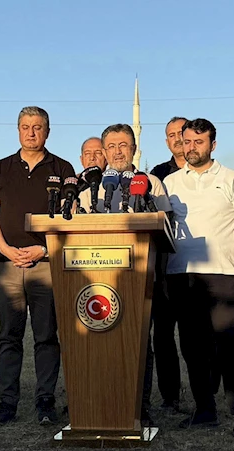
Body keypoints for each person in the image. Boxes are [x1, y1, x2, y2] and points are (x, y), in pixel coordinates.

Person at [0, 106, 76, 425]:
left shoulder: (62, 167)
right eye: (25, 126)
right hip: (7, 264)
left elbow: (68, 219)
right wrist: (5, 249)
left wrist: (42, 249)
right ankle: (7, 402)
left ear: (47, 131)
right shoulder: (1, 167)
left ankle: (45, 401)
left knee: (46, 335)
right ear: (18, 130)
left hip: (45, 264)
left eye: (37, 127)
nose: (31, 132)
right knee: (9, 336)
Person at [76, 124, 172, 426]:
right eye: (112, 146)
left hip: (141, 278)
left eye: (124, 145)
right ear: (104, 152)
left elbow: (165, 227)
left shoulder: (151, 183)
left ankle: (138, 407)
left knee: (139, 343)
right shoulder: (91, 189)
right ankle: (96, 403)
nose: (118, 152)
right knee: (98, 344)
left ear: (134, 149)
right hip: (98, 283)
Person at [164, 119, 234, 435]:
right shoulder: (170, 183)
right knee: (191, 346)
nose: (191, 147)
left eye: (198, 142)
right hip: (181, 274)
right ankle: (205, 410)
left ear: (212, 145)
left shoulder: (231, 179)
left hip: (221, 274)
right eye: (187, 141)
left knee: (228, 344)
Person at [149, 116, 188, 412]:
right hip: (163, 266)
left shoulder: (208, 170)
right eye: (171, 134)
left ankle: (206, 394)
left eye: (181, 133)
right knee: (162, 335)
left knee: (196, 334)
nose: (177, 138)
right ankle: (169, 396)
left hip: (196, 263)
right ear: (166, 141)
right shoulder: (157, 175)